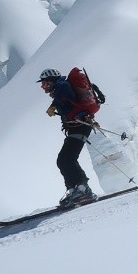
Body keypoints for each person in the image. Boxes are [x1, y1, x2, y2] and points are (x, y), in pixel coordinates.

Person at [38, 67, 98, 206]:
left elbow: (64, 96)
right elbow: (64, 99)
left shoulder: (61, 85)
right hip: (76, 127)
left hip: (81, 125)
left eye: (45, 83)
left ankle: (83, 190)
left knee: (67, 159)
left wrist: (54, 105)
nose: (43, 87)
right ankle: (73, 189)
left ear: (52, 81)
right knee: (63, 160)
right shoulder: (59, 88)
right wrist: (54, 105)